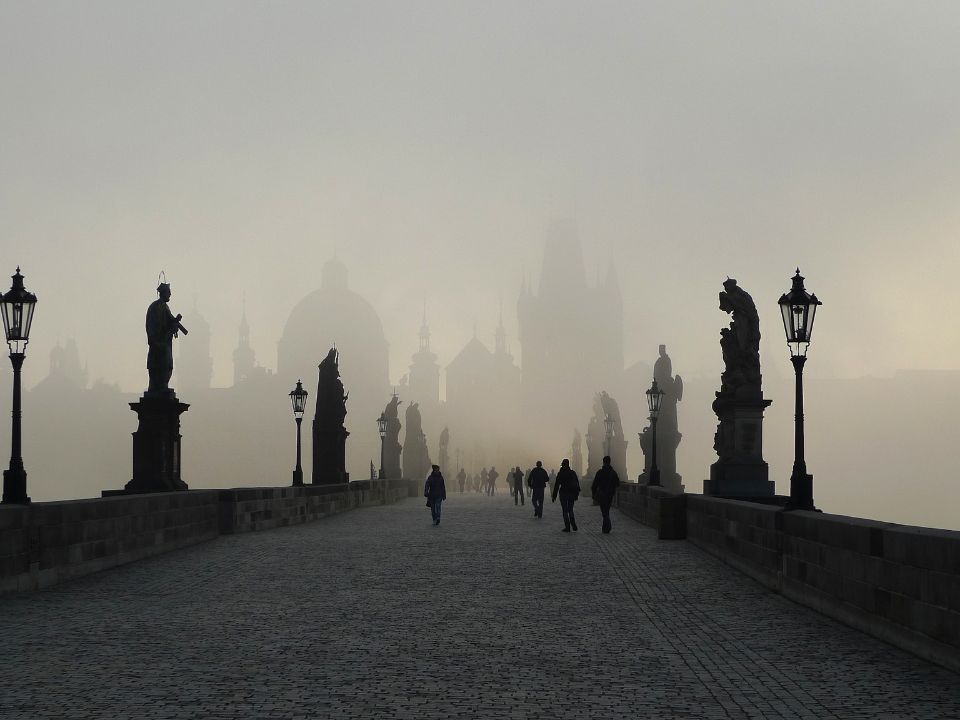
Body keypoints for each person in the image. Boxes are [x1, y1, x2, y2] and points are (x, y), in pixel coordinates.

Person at [145, 282, 185, 395]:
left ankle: (163, 386)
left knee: (167, 365)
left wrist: (174, 323)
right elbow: (156, 325)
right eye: (169, 292)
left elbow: (169, 320)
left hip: (164, 342)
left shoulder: (165, 307)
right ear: (163, 293)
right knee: (160, 365)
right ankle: (158, 387)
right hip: (158, 343)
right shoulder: (155, 307)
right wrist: (157, 340)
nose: (170, 294)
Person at [591, 455, 621, 534]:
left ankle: (607, 526)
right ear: (609, 462)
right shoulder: (613, 473)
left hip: (602, 494)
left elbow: (594, 485)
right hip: (610, 494)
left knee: (604, 511)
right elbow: (618, 483)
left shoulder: (600, 472)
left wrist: (594, 494)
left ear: (603, 462)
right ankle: (605, 527)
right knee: (606, 510)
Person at [551, 458, 580, 532]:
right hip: (571, 493)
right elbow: (577, 484)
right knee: (570, 509)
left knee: (565, 510)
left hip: (563, 493)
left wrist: (554, 496)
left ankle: (567, 527)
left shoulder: (560, 473)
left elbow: (557, 485)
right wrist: (576, 494)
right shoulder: (572, 473)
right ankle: (573, 522)